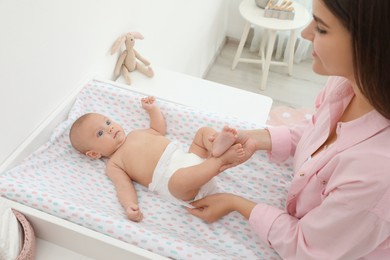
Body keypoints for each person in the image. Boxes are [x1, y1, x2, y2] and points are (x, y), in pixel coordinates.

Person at [187, 0, 390, 259]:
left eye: (322, 29)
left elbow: (308, 249)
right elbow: (318, 131)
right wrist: (260, 138)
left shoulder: (378, 173)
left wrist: (235, 203)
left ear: (373, 44)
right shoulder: (345, 84)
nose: (305, 34)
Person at [69, 96, 249, 222]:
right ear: (94, 154)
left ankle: (216, 148)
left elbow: (158, 129)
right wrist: (130, 205)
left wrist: (153, 110)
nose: (109, 129)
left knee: (202, 133)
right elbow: (123, 188)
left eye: (107, 122)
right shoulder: (114, 164)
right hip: (176, 182)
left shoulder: (135, 133)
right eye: (100, 133)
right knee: (179, 180)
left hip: (188, 157)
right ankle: (219, 161)